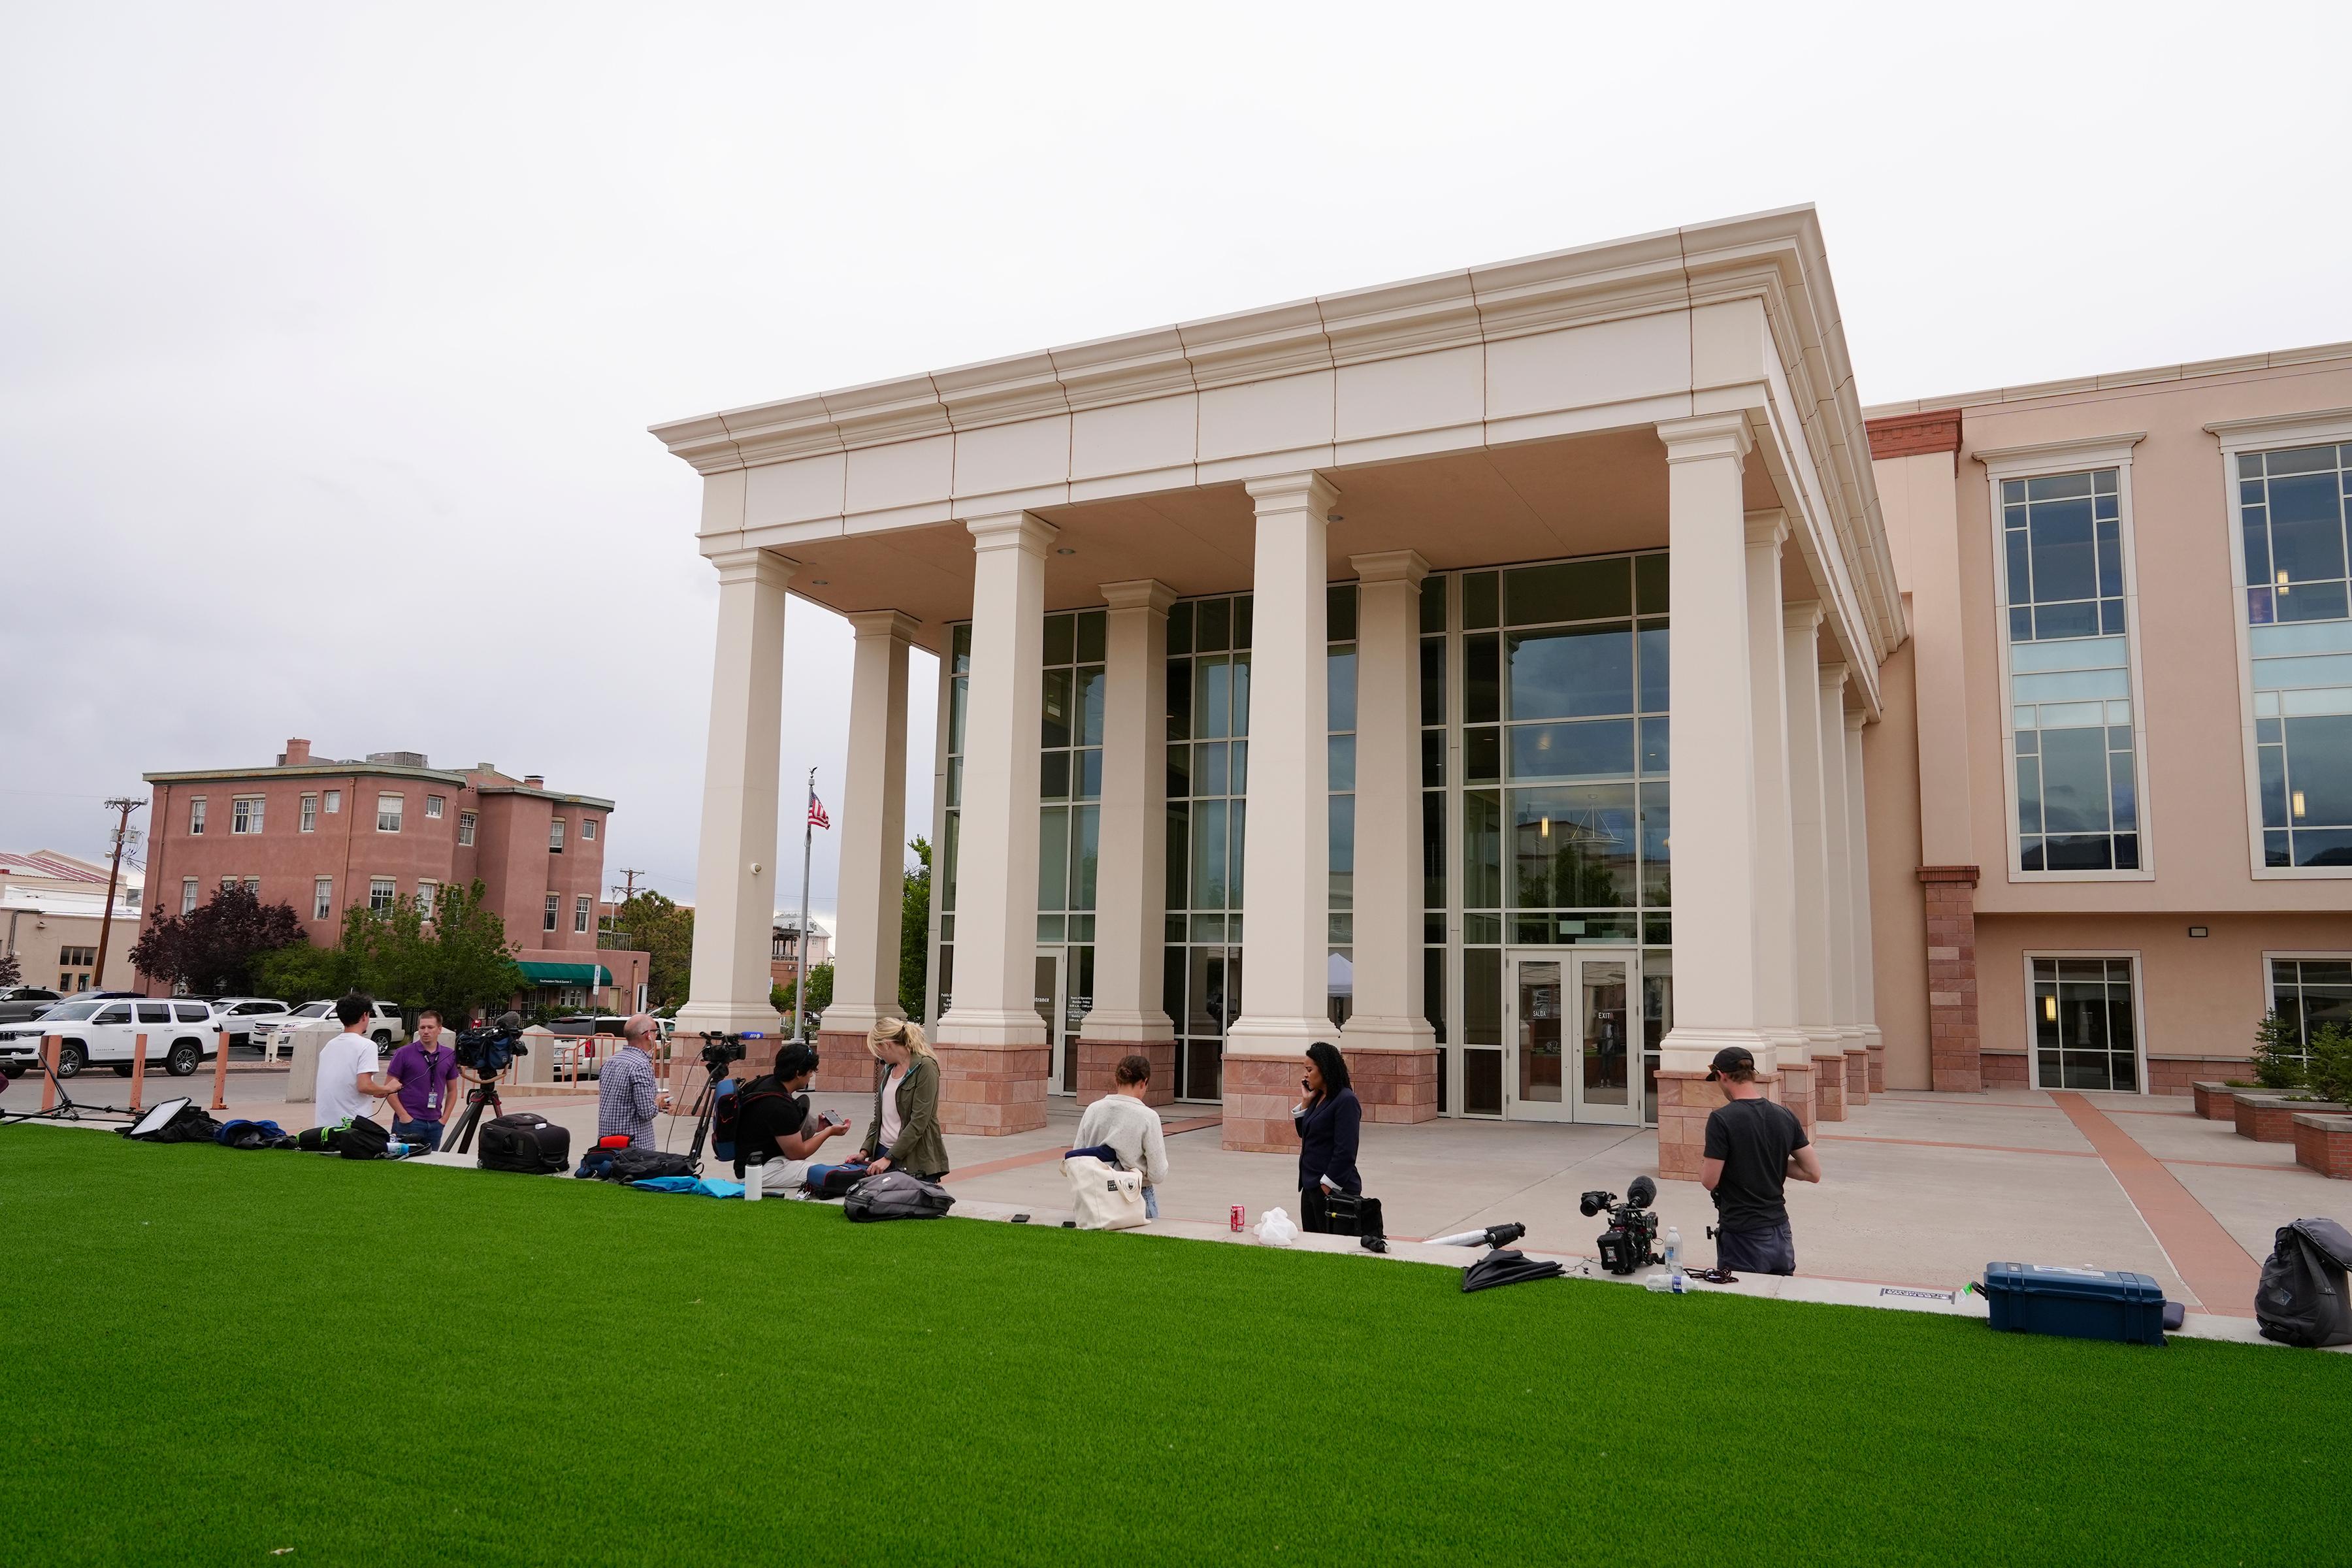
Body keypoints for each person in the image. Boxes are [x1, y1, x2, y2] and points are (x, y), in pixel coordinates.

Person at [1699, 1045, 1821, 1276]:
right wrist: (1766, 1159)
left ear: (1722, 1076)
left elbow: (1709, 1180)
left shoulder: (1722, 1119)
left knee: (1743, 1306)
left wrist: (1748, 1159)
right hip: (1781, 1231)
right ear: (1751, 1074)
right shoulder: (1784, 1115)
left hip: (1743, 1235)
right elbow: (1812, 1172)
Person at [733, 1041, 853, 1194]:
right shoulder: (780, 1105)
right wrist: (829, 1132)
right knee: (827, 1176)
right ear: (798, 1073)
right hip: (760, 1171)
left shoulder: (765, 1083)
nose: (811, 1075)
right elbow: (798, 1153)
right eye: (810, 1071)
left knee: (818, 1170)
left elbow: (777, 1128)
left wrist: (818, 1126)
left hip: (750, 1163)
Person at [1073, 1053, 1171, 1218]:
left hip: (1096, 1196)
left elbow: (1077, 1158)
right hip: (1136, 1194)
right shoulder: (1148, 1117)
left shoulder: (1093, 1110)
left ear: (1117, 1080)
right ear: (1144, 1082)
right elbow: (1158, 1174)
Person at [858, 1019, 947, 1183]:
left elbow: (919, 1122)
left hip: (913, 1159)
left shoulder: (925, 1067)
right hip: (882, 1153)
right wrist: (864, 1152)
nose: (878, 1056)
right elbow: (879, 1119)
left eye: (877, 1049)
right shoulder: (888, 1070)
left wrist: (890, 1157)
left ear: (886, 1044)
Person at [1292, 1039, 1362, 1230]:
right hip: (1310, 1186)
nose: (1305, 1075)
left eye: (1310, 1069)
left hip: (1331, 1188)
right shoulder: (1318, 1097)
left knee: (1331, 1247)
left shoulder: (1346, 1100)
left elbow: (1346, 1151)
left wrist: (1326, 1186)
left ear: (1324, 1069)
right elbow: (1305, 1134)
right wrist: (1305, 1104)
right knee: (1312, 1247)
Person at [314, 993, 402, 1131]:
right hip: (352, 1126)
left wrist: (375, 1090)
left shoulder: (329, 1046)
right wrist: (389, 1088)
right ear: (364, 1016)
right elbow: (364, 1086)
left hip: (324, 1125)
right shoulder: (367, 1046)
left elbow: (346, 1082)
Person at [384, 1009, 461, 1151]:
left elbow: (453, 1090)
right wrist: (403, 1115)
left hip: (435, 1123)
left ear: (439, 1029)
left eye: (430, 1027)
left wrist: (444, 1119)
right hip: (408, 1122)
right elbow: (389, 1088)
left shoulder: (448, 1055)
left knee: (430, 1166)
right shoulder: (404, 1053)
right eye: (422, 1027)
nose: (426, 1031)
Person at [597, 1013, 672, 1151]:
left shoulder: (611, 1061)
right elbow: (647, 1112)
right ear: (648, 1035)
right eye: (656, 1032)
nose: (657, 1036)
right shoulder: (641, 1065)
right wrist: (659, 1103)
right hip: (634, 1147)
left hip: (607, 1143)